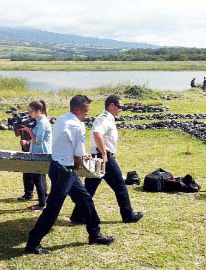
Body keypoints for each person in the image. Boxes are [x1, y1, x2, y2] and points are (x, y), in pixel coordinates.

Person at [24, 95, 115, 255]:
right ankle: (33, 243)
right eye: (86, 112)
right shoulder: (76, 125)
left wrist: (79, 156)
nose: (87, 115)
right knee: (53, 208)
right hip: (64, 171)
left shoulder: (62, 119)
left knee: (85, 199)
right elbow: (78, 158)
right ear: (77, 109)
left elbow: (69, 145)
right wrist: (82, 165)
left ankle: (95, 234)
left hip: (59, 167)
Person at [70, 95, 143, 224]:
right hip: (104, 158)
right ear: (112, 106)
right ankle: (128, 215)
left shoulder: (107, 119)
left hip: (99, 156)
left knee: (89, 189)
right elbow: (97, 133)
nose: (121, 109)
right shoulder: (104, 119)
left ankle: (78, 215)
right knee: (120, 187)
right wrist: (104, 153)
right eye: (119, 106)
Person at [19, 100, 52, 211]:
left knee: (38, 179)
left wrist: (29, 131)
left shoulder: (42, 122)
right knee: (37, 178)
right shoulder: (39, 121)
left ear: (38, 111)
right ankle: (42, 203)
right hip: (37, 153)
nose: (29, 114)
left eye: (31, 111)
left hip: (41, 153)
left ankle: (42, 204)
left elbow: (38, 141)